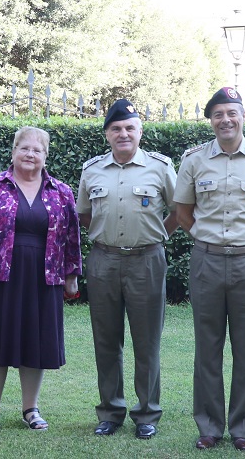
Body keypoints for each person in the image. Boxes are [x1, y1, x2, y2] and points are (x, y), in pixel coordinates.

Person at [174, 87, 245, 452]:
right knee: (207, 347)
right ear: (211, 120)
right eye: (218, 114)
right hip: (206, 261)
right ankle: (209, 426)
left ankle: (242, 428)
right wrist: (208, 240)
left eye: (232, 113)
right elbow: (182, 212)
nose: (226, 120)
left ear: (243, 117)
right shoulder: (193, 160)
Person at [0, 126, 82, 433]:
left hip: (44, 276)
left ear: (45, 156)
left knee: (36, 342)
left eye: (37, 150)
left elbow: (72, 236)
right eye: (24, 148)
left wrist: (71, 275)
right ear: (13, 151)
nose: (30, 154)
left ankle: (31, 408)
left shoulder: (61, 191)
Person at [76, 99, 177, 440]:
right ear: (107, 134)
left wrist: (157, 234)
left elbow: (179, 210)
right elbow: (84, 214)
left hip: (146, 260)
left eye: (129, 128)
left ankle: (147, 413)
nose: (123, 134)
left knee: (146, 341)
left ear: (140, 132)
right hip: (103, 260)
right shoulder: (92, 170)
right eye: (116, 129)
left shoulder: (160, 167)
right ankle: (110, 411)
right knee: (106, 340)